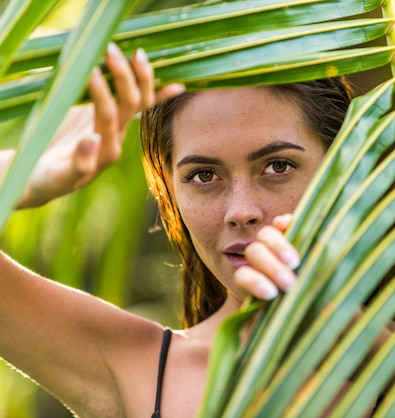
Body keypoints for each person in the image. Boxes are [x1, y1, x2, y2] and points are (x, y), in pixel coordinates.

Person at [0, 42, 358, 417]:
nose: (241, 211)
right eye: (204, 175)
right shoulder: (137, 370)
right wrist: (23, 174)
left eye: (278, 166)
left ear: (344, 164)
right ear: (169, 190)